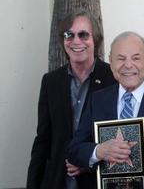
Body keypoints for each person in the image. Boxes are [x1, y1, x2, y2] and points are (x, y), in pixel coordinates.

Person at [67, 31, 144, 189]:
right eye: (121, 58)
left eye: (136, 58)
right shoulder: (98, 100)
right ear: (110, 61)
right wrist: (99, 151)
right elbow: (75, 150)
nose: (128, 65)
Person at [26, 10, 116, 189]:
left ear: (95, 39)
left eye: (83, 35)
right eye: (69, 35)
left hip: (96, 182)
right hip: (57, 181)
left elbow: (119, 138)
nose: (76, 41)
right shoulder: (50, 81)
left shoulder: (113, 78)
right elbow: (43, 140)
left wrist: (89, 161)